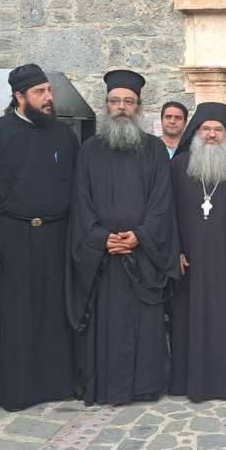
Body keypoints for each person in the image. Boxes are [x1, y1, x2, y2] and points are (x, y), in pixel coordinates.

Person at [0, 63, 80, 411]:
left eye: (48, 91)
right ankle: (15, 389)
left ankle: (55, 384)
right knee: (14, 316)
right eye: (39, 92)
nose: (48, 98)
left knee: (52, 313)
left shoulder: (64, 135)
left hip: (56, 236)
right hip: (9, 238)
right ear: (19, 96)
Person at [67, 70, 177, 405]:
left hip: (142, 256)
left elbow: (162, 202)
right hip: (102, 259)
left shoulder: (154, 149)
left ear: (138, 107)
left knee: (144, 323)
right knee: (107, 324)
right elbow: (81, 202)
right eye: (115, 101)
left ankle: (145, 386)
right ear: (106, 105)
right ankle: (105, 385)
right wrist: (101, 238)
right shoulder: (89, 150)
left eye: (128, 101)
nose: (121, 107)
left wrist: (139, 236)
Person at [170, 103, 226, 401]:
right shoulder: (179, 166)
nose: (212, 134)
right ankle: (189, 382)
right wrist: (175, 249)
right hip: (189, 258)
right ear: (195, 132)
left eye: (219, 129)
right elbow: (167, 211)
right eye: (206, 129)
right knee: (189, 316)